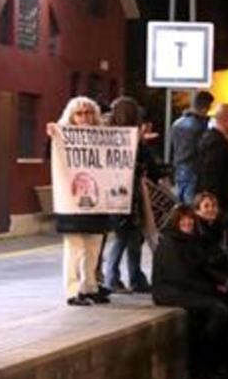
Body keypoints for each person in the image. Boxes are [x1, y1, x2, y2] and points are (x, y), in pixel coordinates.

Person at [152, 204, 228, 379]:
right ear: (176, 222)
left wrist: (220, 281)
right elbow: (179, 275)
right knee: (216, 310)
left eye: (190, 218)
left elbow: (201, 266)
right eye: (183, 219)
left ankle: (221, 366)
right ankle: (200, 369)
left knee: (227, 304)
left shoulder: (190, 241)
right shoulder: (170, 244)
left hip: (187, 288)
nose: (188, 222)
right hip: (171, 291)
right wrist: (210, 288)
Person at [47, 97, 112, 306]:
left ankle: (90, 287)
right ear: (71, 117)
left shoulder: (104, 137)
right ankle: (72, 291)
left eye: (88, 112)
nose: (85, 117)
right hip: (72, 202)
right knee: (75, 248)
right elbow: (49, 157)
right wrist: (51, 137)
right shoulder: (60, 136)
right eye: (80, 113)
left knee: (94, 247)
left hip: (97, 200)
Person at [102, 97, 157, 293]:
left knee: (131, 237)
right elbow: (149, 164)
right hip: (128, 194)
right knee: (125, 237)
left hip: (113, 192)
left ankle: (134, 277)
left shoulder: (106, 135)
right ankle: (114, 277)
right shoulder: (132, 139)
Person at [196, 103, 228, 216]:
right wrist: (212, 206)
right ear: (226, 118)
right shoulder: (216, 143)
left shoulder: (214, 139)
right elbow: (210, 176)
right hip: (218, 208)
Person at [170, 91, 213, 204]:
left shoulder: (177, 123)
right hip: (194, 170)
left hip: (179, 169)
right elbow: (204, 149)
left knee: (180, 205)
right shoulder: (199, 126)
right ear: (205, 107)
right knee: (192, 206)